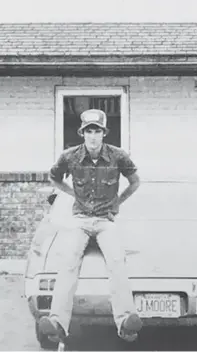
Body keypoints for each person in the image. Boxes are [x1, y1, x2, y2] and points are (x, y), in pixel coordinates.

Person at [38, 109, 142, 343]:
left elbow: (135, 181)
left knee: (116, 261)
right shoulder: (70, 156)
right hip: (81, 220)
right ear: (82, 133)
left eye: (97, 131)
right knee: (68, 262)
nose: (93, 136)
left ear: (104, 133)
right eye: (89, 131)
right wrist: (71, 193)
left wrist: (118, 201)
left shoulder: (118, 156)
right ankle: (57, 323)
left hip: (106, 221)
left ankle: (125, 323)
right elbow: (54, 177)